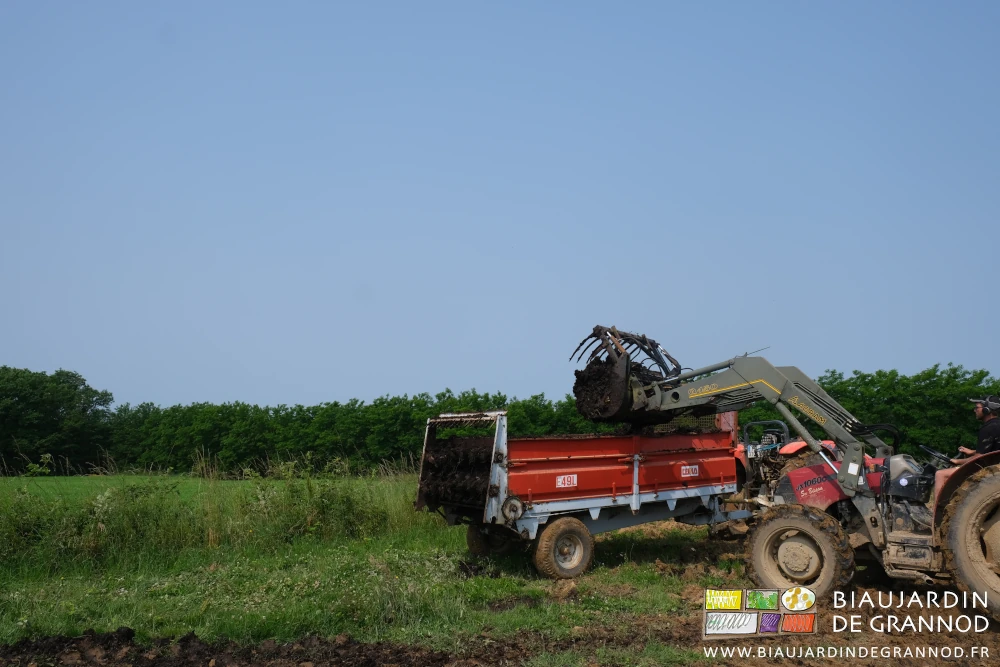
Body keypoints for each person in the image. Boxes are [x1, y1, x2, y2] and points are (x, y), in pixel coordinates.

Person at [952, 396, 1000, 464]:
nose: (974, 410)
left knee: (940, 473)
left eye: (977, 407)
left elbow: (979, 457)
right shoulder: (997, 424)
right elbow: (993, 450)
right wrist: (972, 452)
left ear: (986, 410)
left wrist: (957, 461)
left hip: (993, 469)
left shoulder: (988, 428)